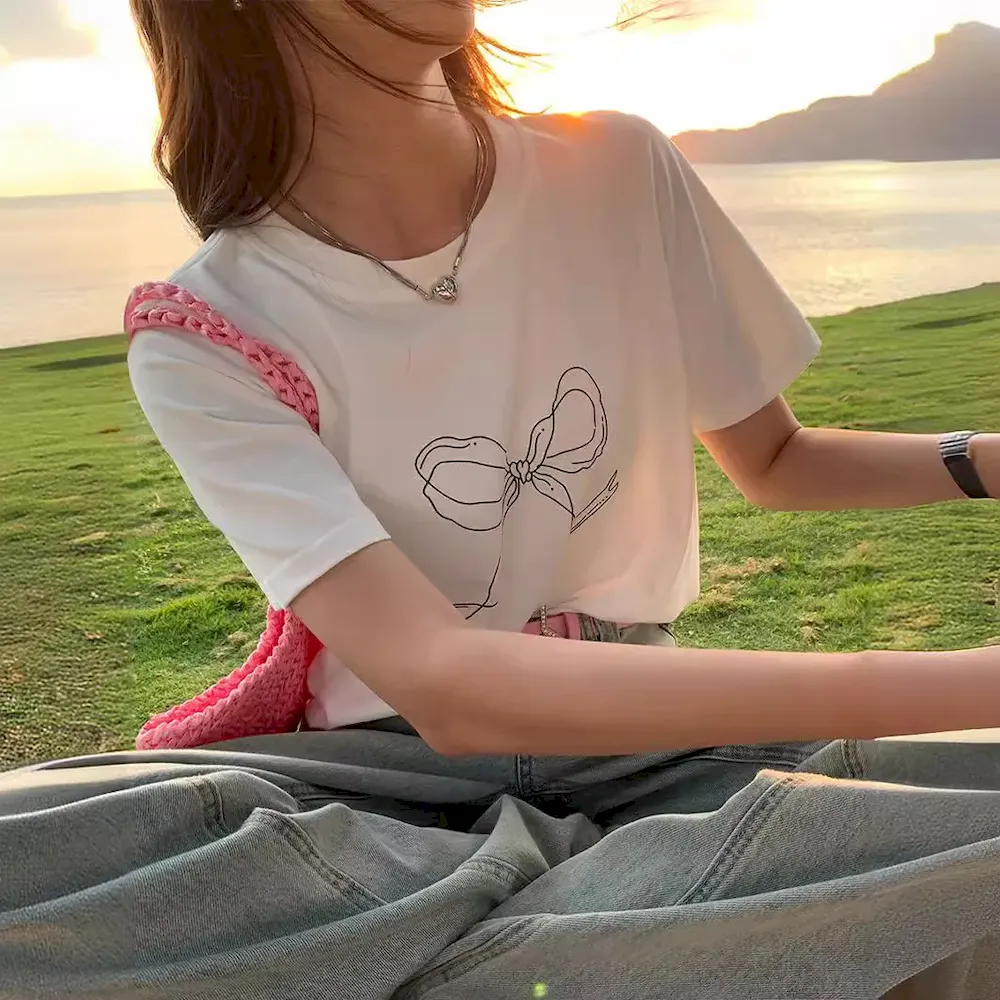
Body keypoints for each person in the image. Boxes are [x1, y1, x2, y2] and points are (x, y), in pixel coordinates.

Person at [3, 1, 1000, 996]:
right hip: (379, 785)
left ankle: (524, 927)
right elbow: (447, 684)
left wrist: (984, 460)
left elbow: (777, 457)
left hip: (656, 740)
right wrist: (971, 683)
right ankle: (632, 913)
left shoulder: (616, 167)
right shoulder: (210, 326)